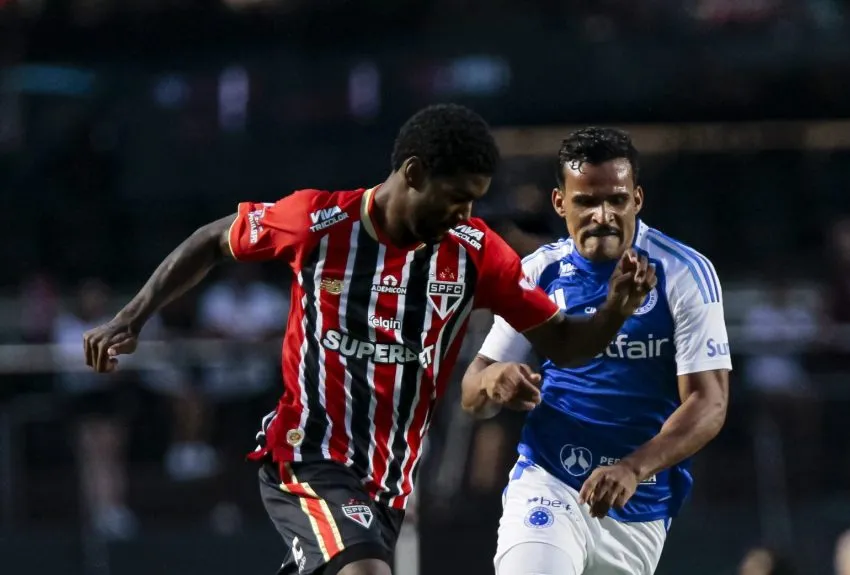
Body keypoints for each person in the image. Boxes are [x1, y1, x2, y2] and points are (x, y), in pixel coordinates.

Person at [81, 104, 656, 575]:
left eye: (474, 200)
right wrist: (131, 317)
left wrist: (614, 310)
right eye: (456, 196)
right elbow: (215, 239)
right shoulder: (318, 222)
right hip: (308, 458)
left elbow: (565, 344)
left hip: (388, 484)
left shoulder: (476, 253)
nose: (465, 212)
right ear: (413, 173)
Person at [461, 127, 731, 575]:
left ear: (637, 200)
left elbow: (710, 402)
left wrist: (632, 468)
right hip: (550, 480)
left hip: (637, 503)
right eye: (586, 201)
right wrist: (494, 380)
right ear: (560, 203)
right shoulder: (540, 272)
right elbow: (472, 393)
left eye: (616, 200)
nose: (603, 215)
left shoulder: (683, 273)